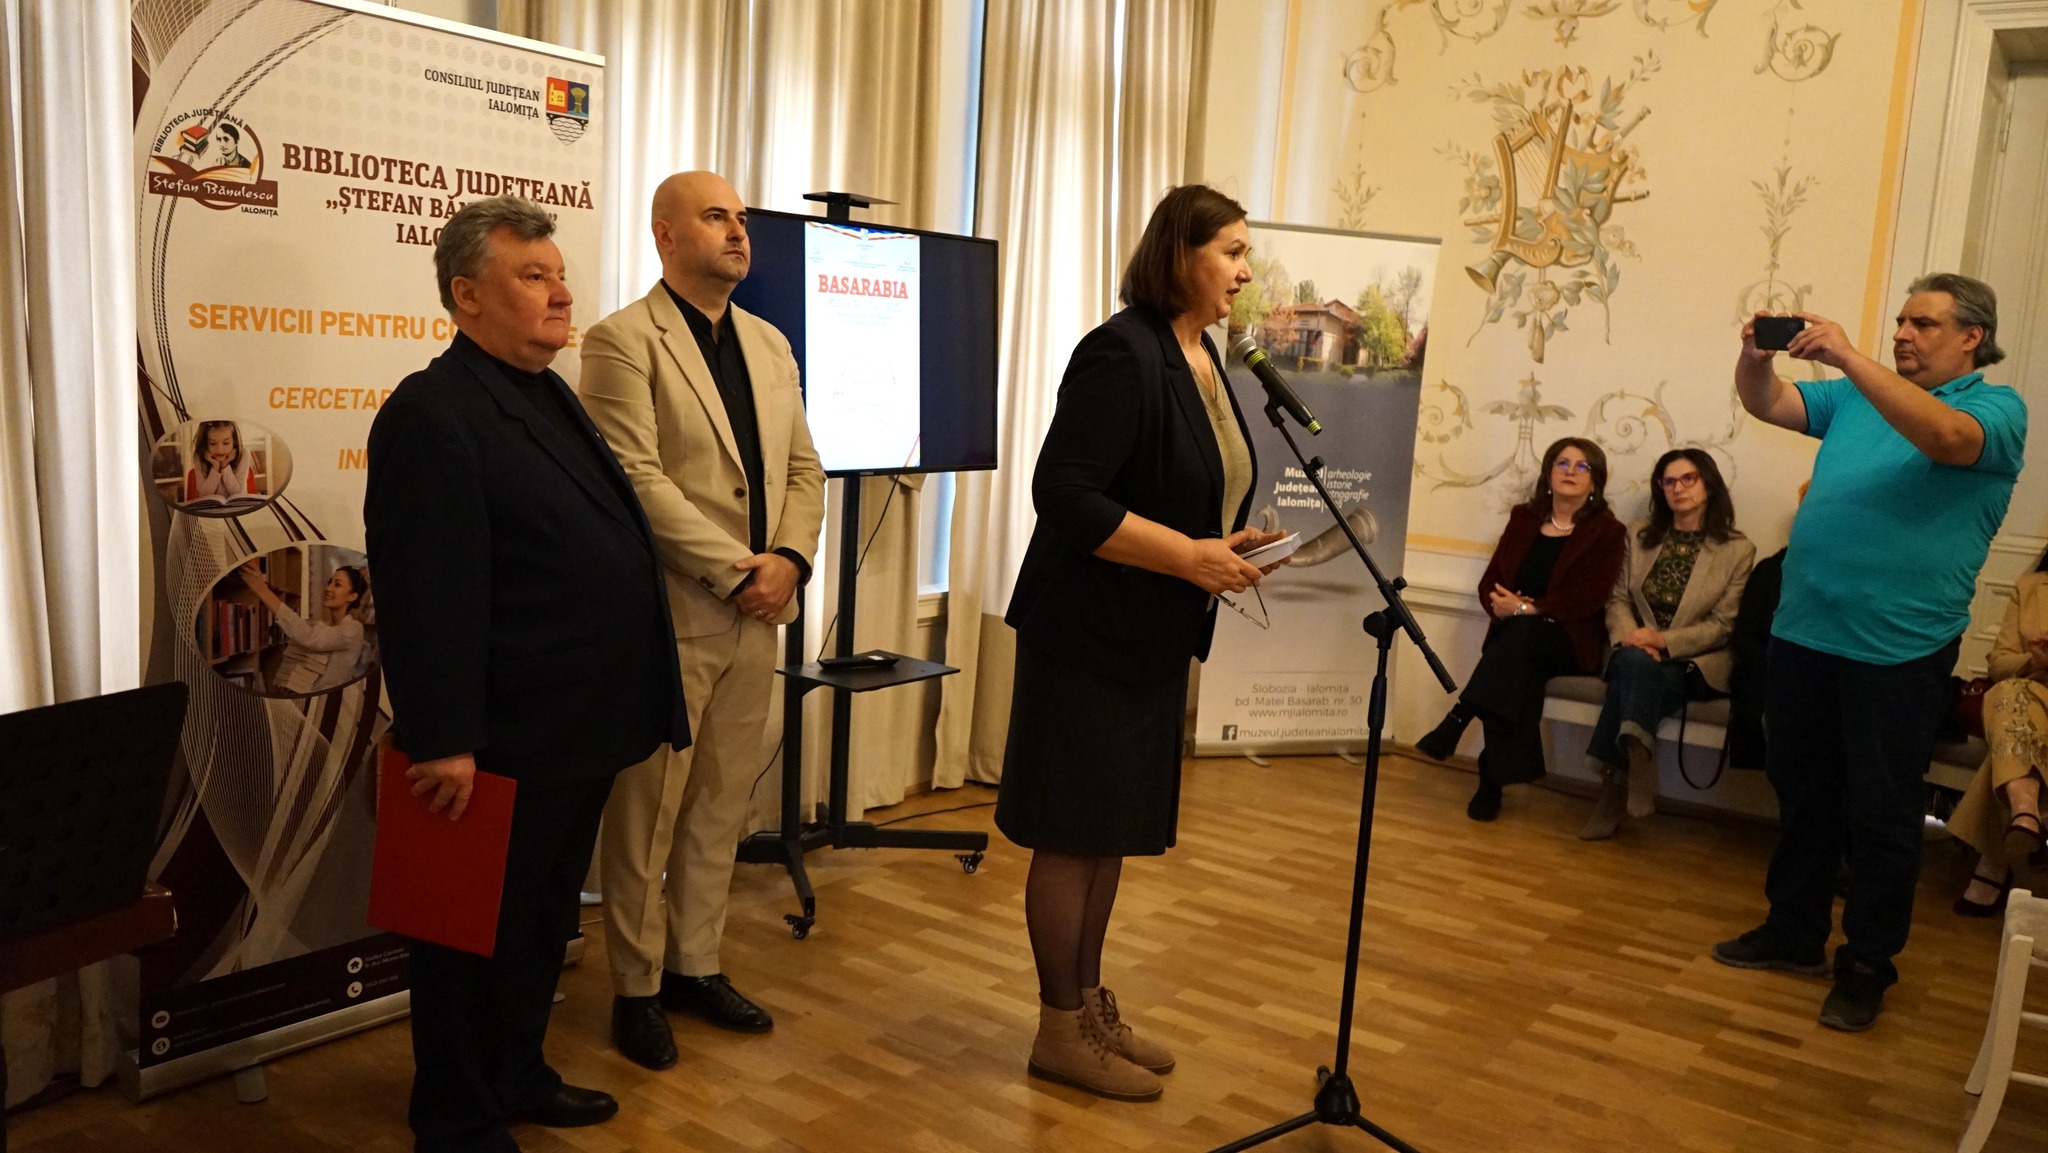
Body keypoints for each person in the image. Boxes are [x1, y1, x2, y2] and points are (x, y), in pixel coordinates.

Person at [364, 196, 689, 1153]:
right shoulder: (432, 412)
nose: (561, 292)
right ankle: (457, 1118)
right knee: (467, 938)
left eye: (559, 274)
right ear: (467, 295)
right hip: (498, 737)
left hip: (572, 730)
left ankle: (517, 1072)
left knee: (541, 922)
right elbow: (426, 593)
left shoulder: (546, 390)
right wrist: (444, 737)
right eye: (533, 276)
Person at [997, 184, 1284, 1102]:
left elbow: (1171, 489)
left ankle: (1089, 1007)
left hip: (1151, 633)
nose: (1245, 271)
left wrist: (1222, 546)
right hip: (1087, 633)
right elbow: (1065, 493)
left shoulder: (1202, 356)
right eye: (1231, 251)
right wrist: (1189, 556)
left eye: (1246, 253)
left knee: (1109, 831)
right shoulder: (1121, 351)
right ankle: (1058, 1028)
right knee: (1072, 834)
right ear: (1179, 255)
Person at [1712, 273, 2026, 1033]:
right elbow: (1768, 403)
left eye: (1923, 324)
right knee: (1803, 793)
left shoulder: (1995, 410)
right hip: (1804, 632)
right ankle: (1794, 931)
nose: (1903, 334)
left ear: (1972, 337)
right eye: (1901, 322)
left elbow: (1944, 439)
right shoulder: (1856, 399)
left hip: (1897, 649)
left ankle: (1865, 966)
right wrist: (1756, 357)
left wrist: (1851, 358)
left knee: (1881, 812)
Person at [579, 171, 825, 1071]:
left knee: (722, 801)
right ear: (665, 233)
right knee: (648, 811)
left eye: (741, 218)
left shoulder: (769, 341)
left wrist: (789, 560)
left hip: (761, 609)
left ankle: (695, 964)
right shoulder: (621, 341)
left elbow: (803, 468)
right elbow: (635, 481)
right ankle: (636, 987)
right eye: (716, 216)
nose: (738, 231)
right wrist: (737, 571)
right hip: (674, 613)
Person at [1413, 437, 1627, 822]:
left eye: (1582, 466)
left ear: (1595, 480)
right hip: (1516, 640)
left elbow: (1590, 597)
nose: (1570, 472)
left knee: (1522, 635)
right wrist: (1501, 605)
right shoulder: (1523, 518)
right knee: (1519, 666)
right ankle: (1491, 776)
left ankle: (1460, 717)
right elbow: (1492, 580)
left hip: (1568, 640)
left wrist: (1528, 608)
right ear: (1548, 473)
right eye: (1562, 463)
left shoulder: (1607, 531)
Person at [1578, 448, 1754, 840]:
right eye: (1669, 481)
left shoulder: (1737, 550)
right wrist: (1634, 638)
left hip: (1692, 664)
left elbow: (1723, 625)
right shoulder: (1638, 535)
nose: (1678, 488)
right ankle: (1637, 761)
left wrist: (1662, 640)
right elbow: (1618, 599)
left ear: (1708, 484)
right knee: (1635, 666)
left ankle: (1613, 791)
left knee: (1632, 677)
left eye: (1688, 478)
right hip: (1633, 650)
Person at [1948, 550, 2048, 915]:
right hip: (2031, 697)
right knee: (2010, 695)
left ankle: (1997, 859)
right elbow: (1999, 664)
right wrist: (2033, 660)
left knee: (2014, 733)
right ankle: (2025, 812)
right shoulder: (2031, 587)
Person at [235, 560, 368, 695]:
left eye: (337, 585)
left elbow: (309, 637)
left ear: (352, 596)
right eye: (330, 582)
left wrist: (262, 590)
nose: (328, 588)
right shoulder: (325, 626)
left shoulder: (353, 629)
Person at [186, 420, 254, 501]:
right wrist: (215, 467)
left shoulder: (243, 454)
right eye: (213, 443)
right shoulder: (199, 456)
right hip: (211, 507)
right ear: (205, 443)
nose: (219, 450)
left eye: (226, 443)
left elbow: (239, 493)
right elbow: (204, 495)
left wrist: (225, 466)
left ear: (234, 441)